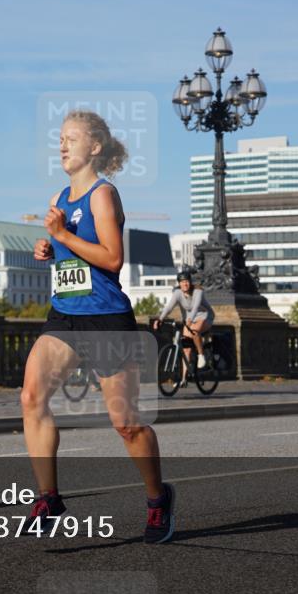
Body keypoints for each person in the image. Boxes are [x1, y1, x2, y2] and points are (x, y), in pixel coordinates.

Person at [25, 109, 174, 543]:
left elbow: (111, 258)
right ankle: (48, 497)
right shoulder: (61, 196)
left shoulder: (103, 195)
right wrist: (49, 248)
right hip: (65, 314)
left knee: (125, 423)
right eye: (60, 138)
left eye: (71, 138)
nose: (62, 145)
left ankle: (157, 498)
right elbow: (73, 251)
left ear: (94, 147)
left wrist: (63, 237)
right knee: (32, 396)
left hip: (106, 318)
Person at [152, 270, 215, 386]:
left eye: (186, 281)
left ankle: (201, 356)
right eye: (182, 282)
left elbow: (195, 307)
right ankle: (183, 379)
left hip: (204, 316)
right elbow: (169, 308)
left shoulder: (198, 292)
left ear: (190, 282)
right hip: (189, 320)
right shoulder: (177, 293)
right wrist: (160, 319)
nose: (185, 284)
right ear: (179, 284)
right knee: (186, 349)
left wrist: (190, 320)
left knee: (195, 331)